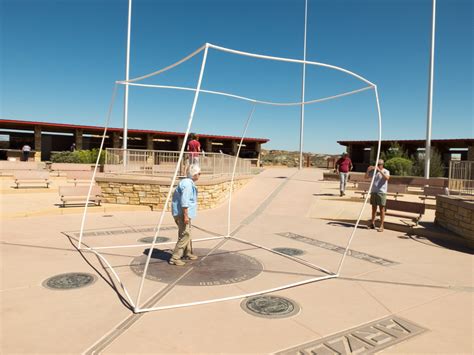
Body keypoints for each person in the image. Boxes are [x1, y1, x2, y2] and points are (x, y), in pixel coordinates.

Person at [169, 164, 201, 266]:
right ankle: (175, 257)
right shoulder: (187, 184)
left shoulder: (188, 182)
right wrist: (186, 215)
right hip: (182, 214)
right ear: (194, 174)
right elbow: (184, 201)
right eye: (199, 173)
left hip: (183, 213)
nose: (200, 175)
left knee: (186, 232)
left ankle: (187, 252)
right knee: (185, 234)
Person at [366, 159, 390, 232]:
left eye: (379, 164)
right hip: (374, 192)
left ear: (382, 164)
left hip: (381, 192)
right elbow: (366, 177)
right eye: (377, 164)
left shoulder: (386, 171)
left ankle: (382, 225)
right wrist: (368, 170)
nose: (378, 165)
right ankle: (372, 223)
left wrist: (379, 171)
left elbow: (387, 178)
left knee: (382, 209)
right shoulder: (374, 172)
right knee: (373, 208)